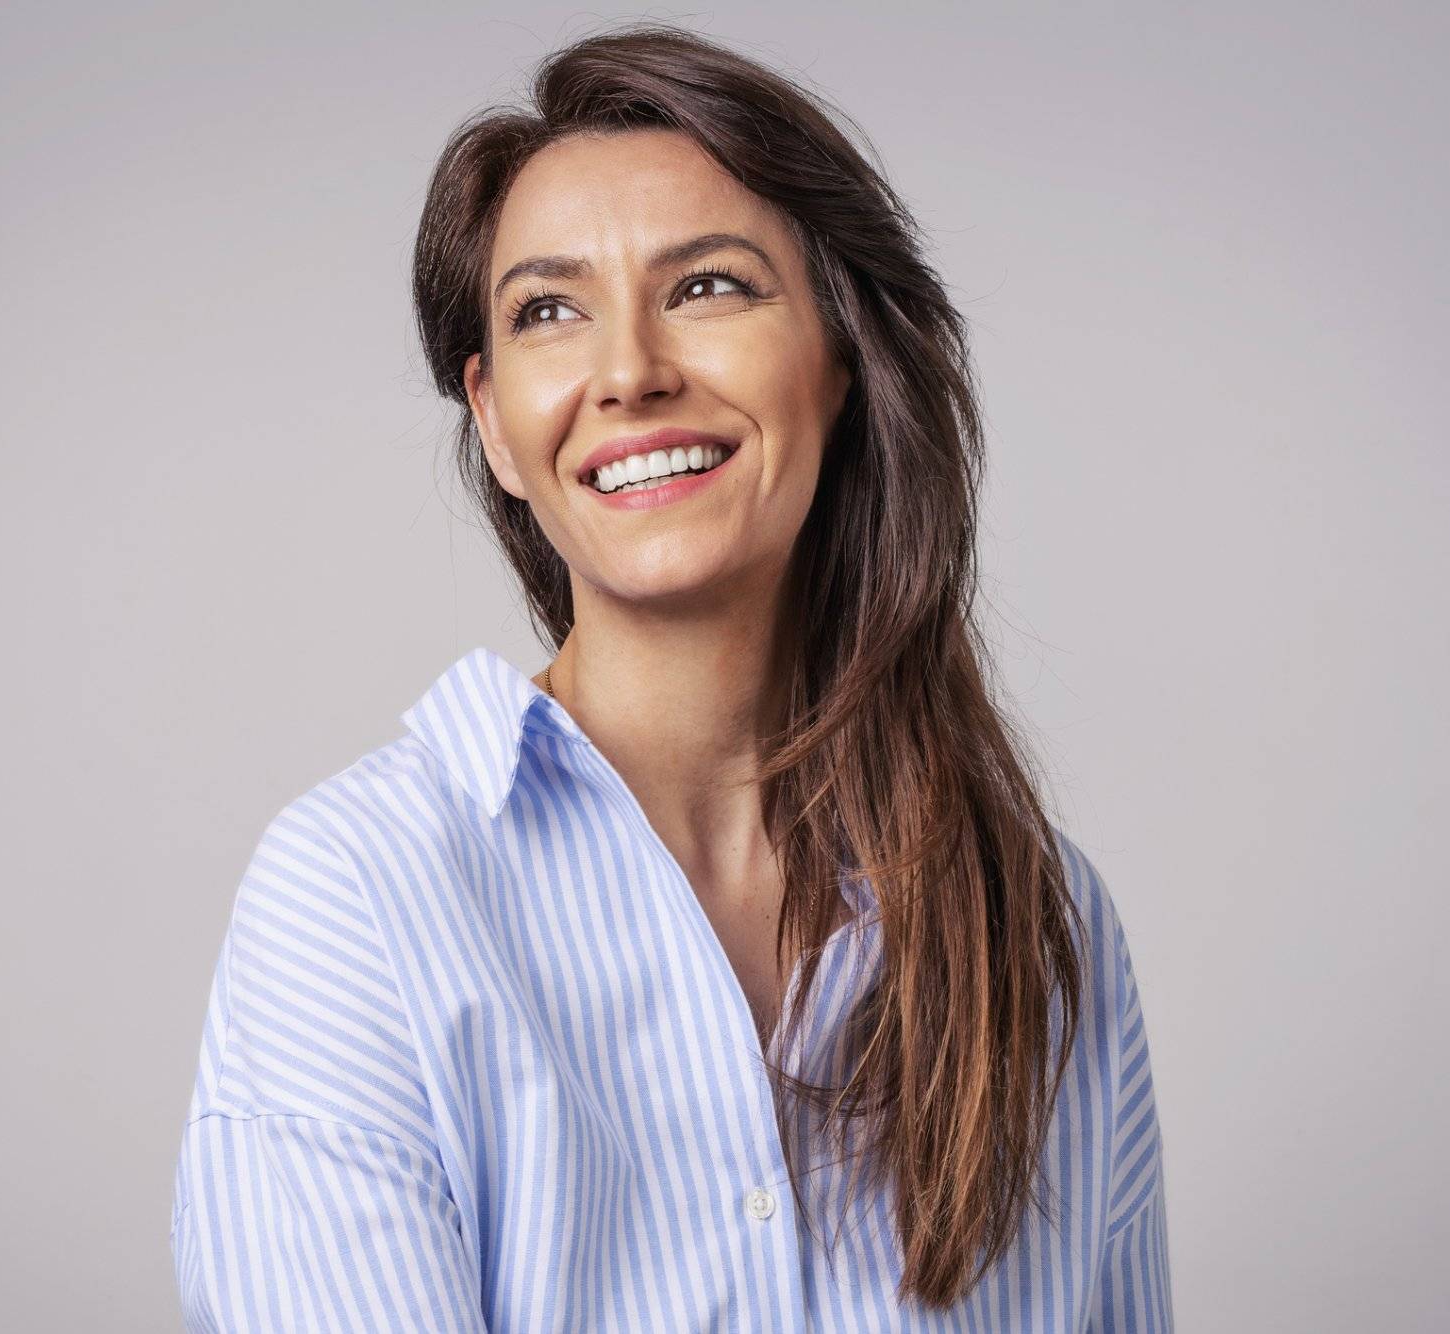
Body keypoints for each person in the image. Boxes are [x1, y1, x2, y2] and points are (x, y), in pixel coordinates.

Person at [172, 21, 1171, 1332]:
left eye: (709, 286)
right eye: (548, 311)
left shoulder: (1038, 923)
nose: (630, 370)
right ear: (495, 423)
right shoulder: (355, 899)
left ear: (841, 363)